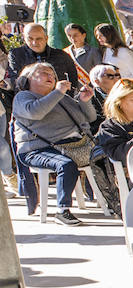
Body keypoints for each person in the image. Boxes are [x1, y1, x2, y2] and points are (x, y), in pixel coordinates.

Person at [12, 61, 113, 223]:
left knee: (110, 154)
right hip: (37, 149)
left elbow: (88, 118)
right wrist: (57, 92)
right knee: (66, 165)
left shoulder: (62, 97)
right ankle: (62, 210)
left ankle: (113, 201)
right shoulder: (23, 97)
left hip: (74, 145)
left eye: (52, 73)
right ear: (27, 79)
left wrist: (84, 101)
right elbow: (35, 112)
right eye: (44, 72)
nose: (50, 76)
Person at [5, 22, 80, 87]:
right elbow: (16, 81)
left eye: (38, 39)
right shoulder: (16, 54)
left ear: (46, 38)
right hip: (30, 99)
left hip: (57, 99)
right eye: (30, 39)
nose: (34, 43)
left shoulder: (61, 55)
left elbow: (73, 79)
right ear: (24, 38)